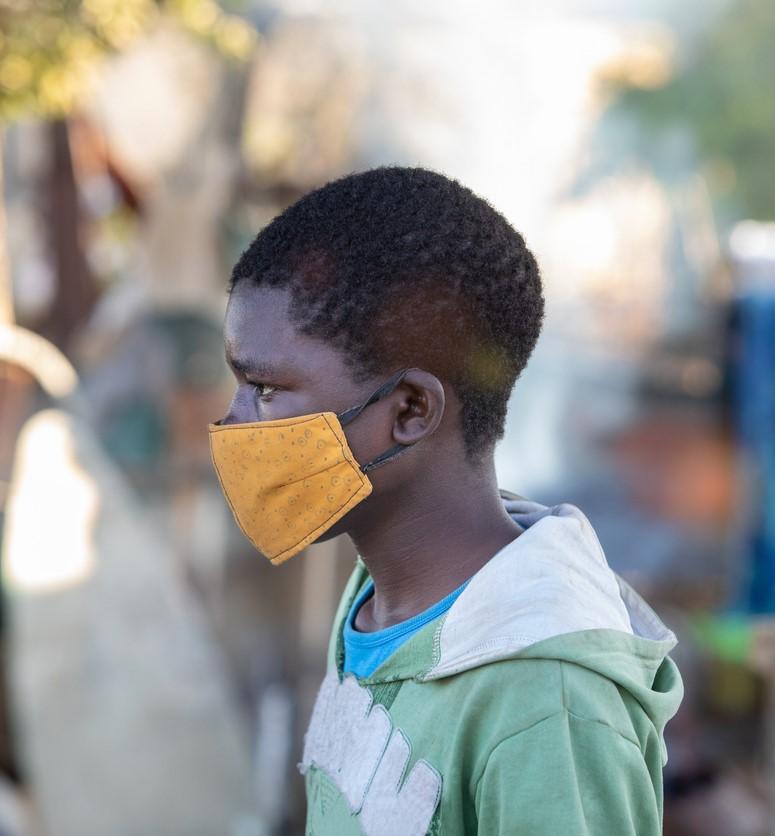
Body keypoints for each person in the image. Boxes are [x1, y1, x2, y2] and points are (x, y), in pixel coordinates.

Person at [209, 166, 683, 834]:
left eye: (263, 388)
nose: (232, 423)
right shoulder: (379, 606)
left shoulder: (545, 699)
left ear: (408, 410)